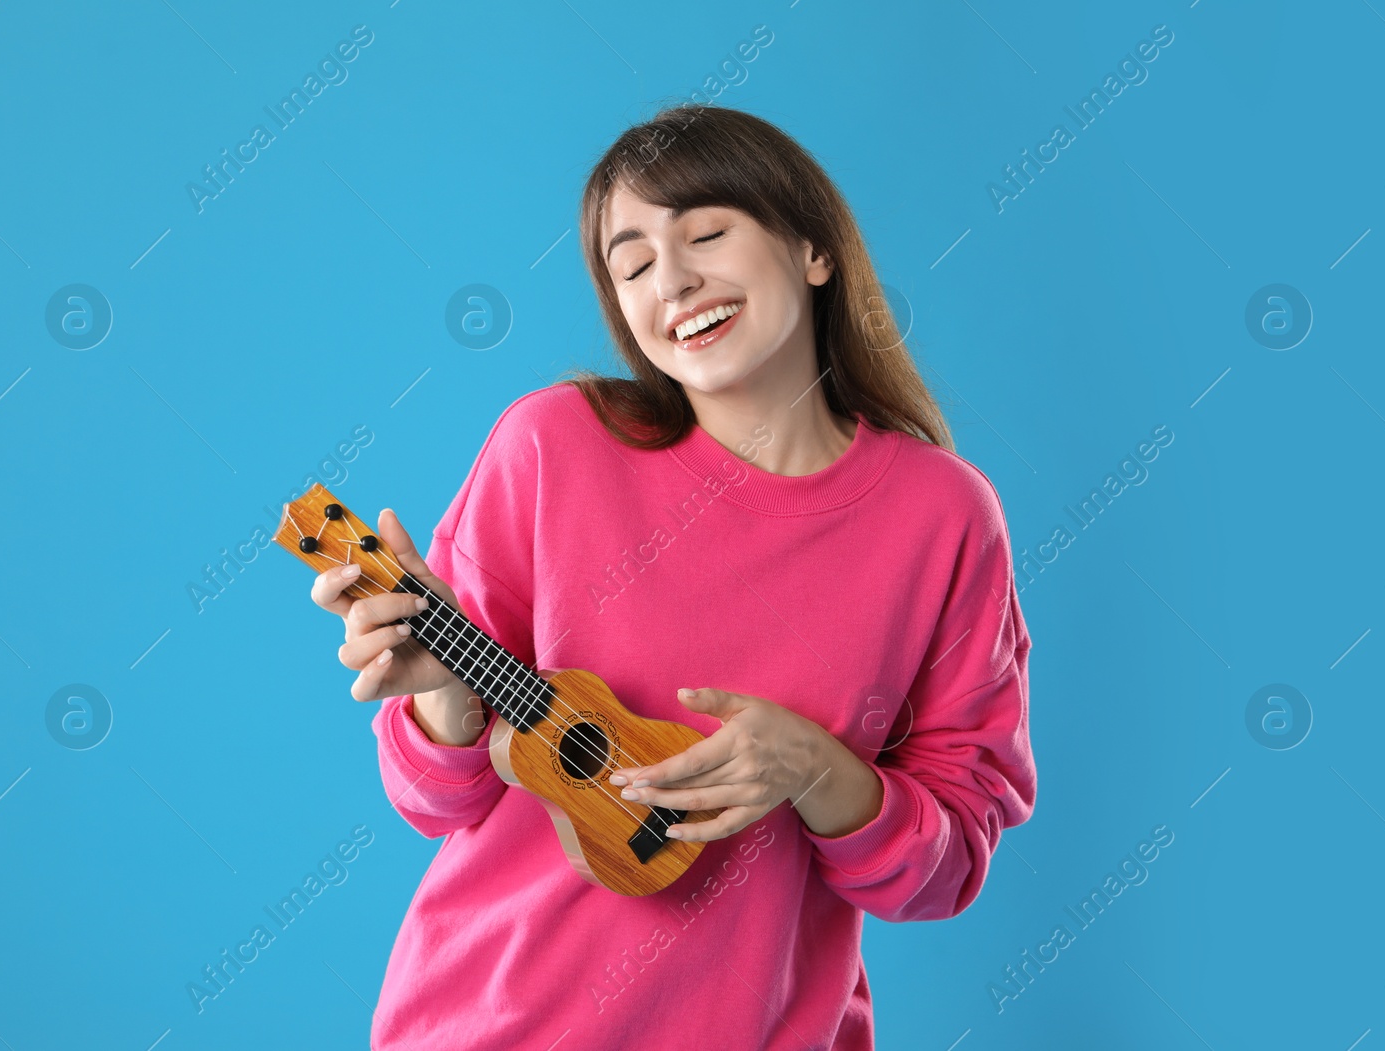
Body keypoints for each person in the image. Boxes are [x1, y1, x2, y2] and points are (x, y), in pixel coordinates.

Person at [309, 103, 1037, 1050]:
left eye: (706, 232)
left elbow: (942, 869)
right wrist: (446, 697)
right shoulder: (551, 446)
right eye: (635, 263)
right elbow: (436, 800)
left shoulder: (943, 518)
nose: (677, 280)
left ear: (814, 249)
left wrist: (814, 767)